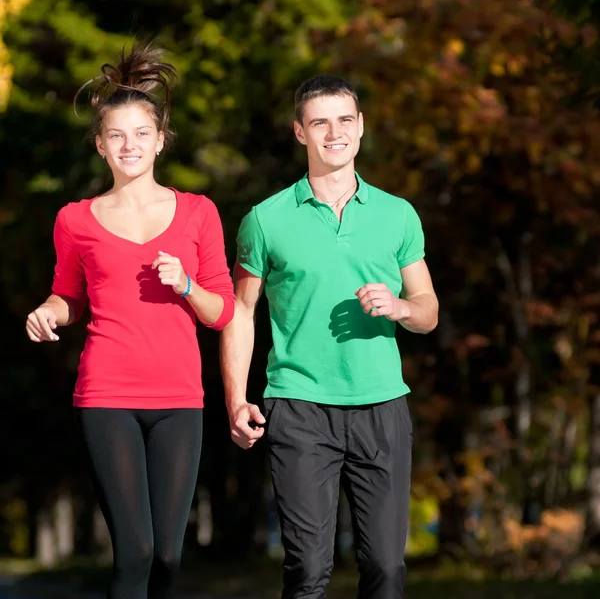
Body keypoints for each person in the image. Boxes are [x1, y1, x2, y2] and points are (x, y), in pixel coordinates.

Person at [25, 43, 234, 599]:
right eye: (116, 135)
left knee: (167, 555)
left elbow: (221, 312)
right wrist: (47, 312)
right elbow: (67, 296)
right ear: (100, 145)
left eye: (141, 133)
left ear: (160, 140)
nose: (129, 145)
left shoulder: (198, 212)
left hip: (179, 398)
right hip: (107, 394)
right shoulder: (75, 220)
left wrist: (186, 285)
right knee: (135, 552)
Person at [220, 75, 438, 599]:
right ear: (300, 132)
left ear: (361, 128)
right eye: (319, 122)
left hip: (382, 405)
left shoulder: (398, 214)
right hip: (298, 407)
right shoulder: (265, 220)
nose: (333, 133)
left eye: (345, 120)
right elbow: (240, 313)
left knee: (386, 568)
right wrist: (235, 401)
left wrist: (401, 307)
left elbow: (428, 311)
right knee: (307, 571)